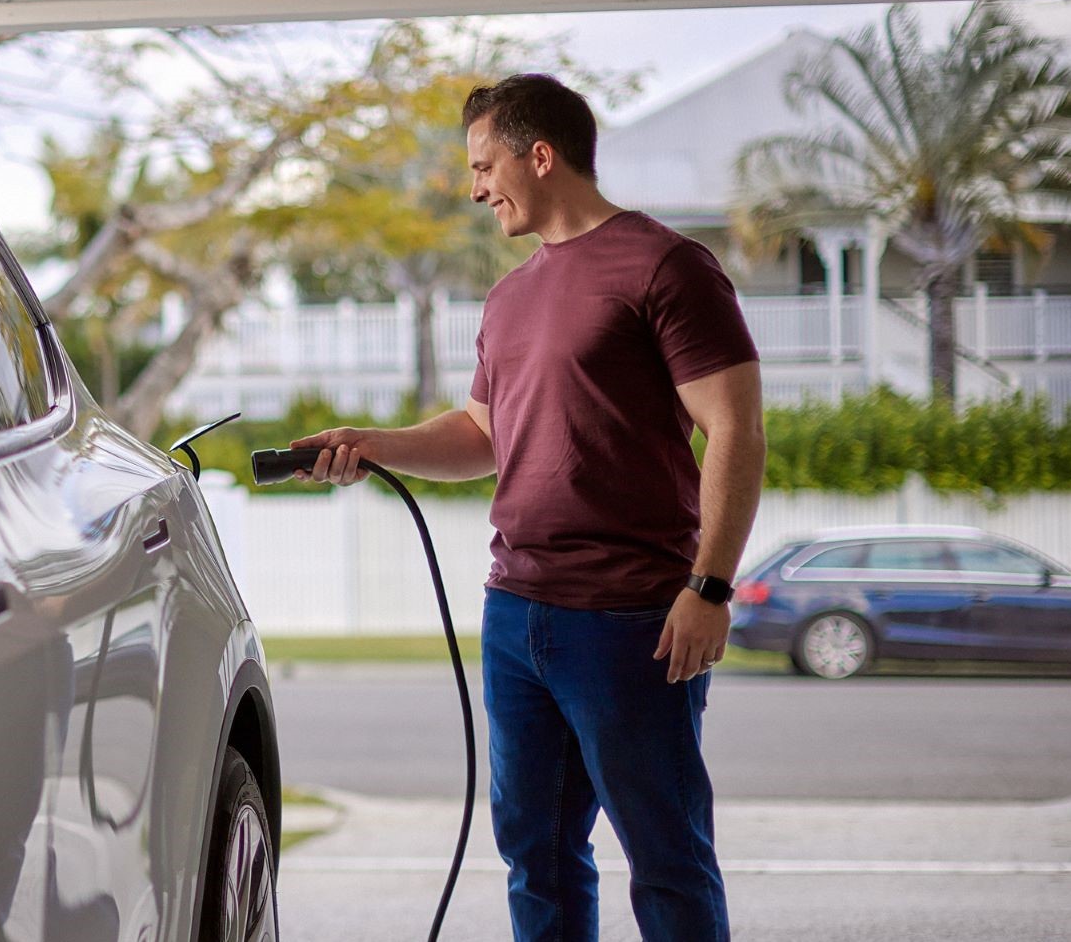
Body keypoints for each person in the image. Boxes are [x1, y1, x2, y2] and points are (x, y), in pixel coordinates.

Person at [293, 73, 764, 942]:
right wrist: (375, 443)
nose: (475, 188)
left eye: (483, 166)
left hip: (631, 621)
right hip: (516, 615)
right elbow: (482, 435)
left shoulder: (666, 266)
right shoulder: (510, 297)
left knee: (665, 857)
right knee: (536, 857)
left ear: (538, 155)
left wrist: (710, 587)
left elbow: (734, 430)